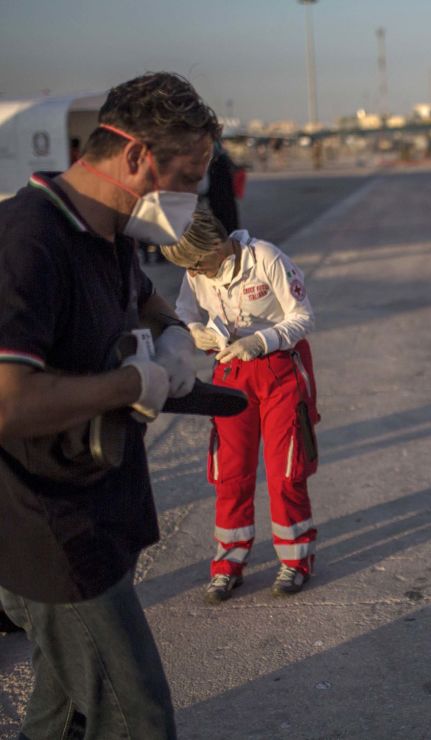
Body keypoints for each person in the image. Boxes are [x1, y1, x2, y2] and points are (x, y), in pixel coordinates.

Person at [0, 71, 220, 739]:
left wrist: (174, 336)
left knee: (62, 709)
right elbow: (9, 400)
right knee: (137, 719)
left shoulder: (110, 235)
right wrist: (134, 383)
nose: (193, 197)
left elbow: (144, 301)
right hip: (51, 529)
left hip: (101, 506)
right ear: (134, 157)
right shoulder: (28, 239)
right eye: (187, 176)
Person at [161, 206, 319, 603]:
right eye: (189, 268)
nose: (194, 273)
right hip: (231, 374)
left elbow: (303, 317)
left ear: (218, 244)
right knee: (230, 473)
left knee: (286, 471)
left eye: (198, 263)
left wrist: (260, 341)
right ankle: (228, 563)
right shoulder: (195, 272)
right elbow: (184, 309)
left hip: (280, 371)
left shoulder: (265, 259)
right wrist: (194, 330)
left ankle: (295, 560)